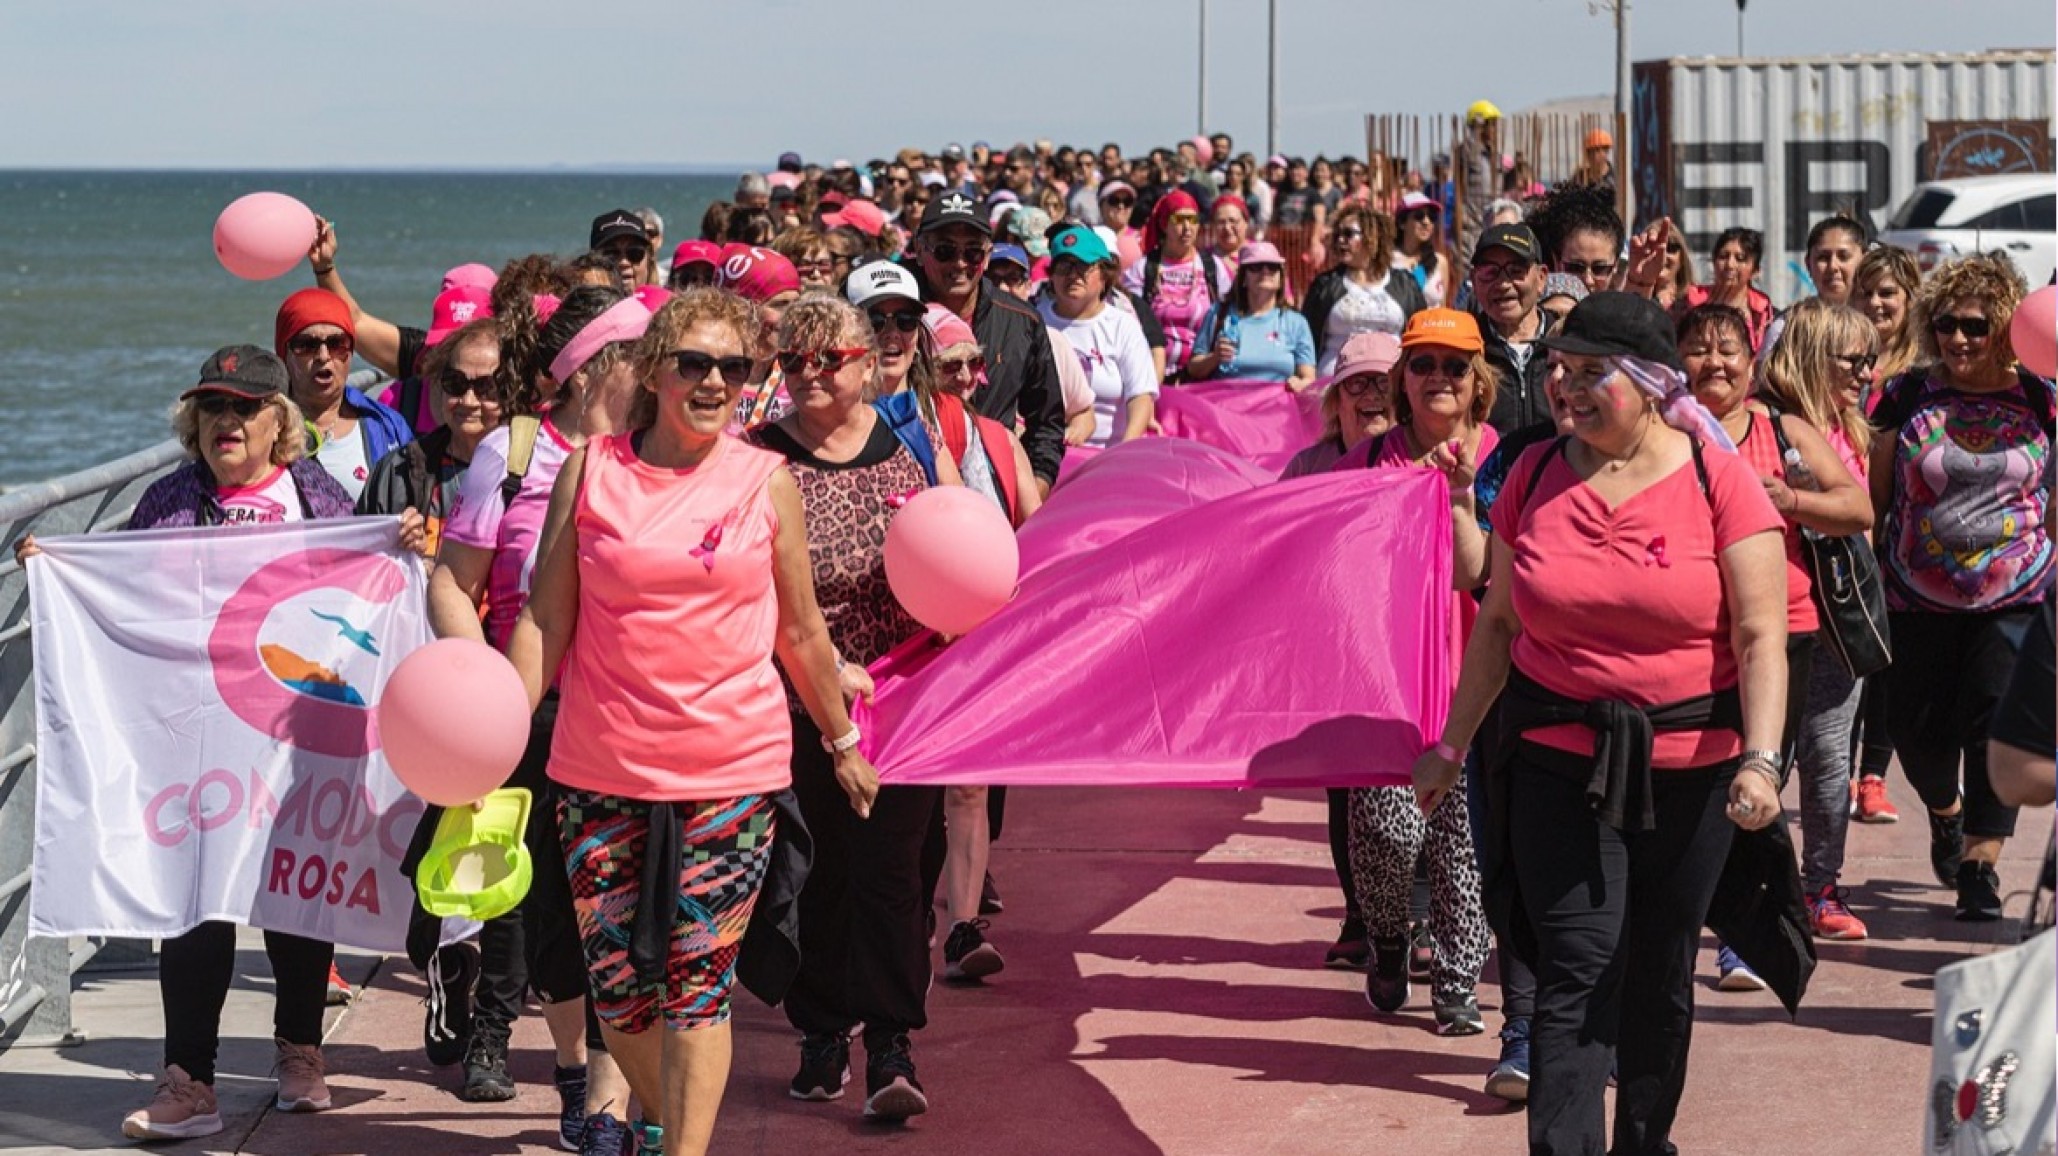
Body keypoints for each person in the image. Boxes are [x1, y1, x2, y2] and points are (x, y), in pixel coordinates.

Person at [1413, 292, 1791, 1156]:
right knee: (1575, 969)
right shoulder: (1538, 476)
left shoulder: (1714, 476)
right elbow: (1501, 625)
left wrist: (1764, 762)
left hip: (1693, 765)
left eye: (1593, 374)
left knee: (1659, 971)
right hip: (1557, 757)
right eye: (1560, 370)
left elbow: (1760, 634)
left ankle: (1646, 1142)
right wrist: (1449, 747)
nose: (1566, 389)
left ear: (1654, 385)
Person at [499, 287, 874, 1156]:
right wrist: (494, 736)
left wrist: (842, 741)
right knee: (621, 993)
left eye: (733, 367)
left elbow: (801, 630)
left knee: (698, 987)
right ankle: (673, 1122)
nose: (714, 382)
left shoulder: (765, 480)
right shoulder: (590, 469)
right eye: (694, 363)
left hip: (730, 774)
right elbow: (544, 621)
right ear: (655, 369)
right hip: (599, 771)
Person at [32, 345, 408, 1141]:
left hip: (293, 731)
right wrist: (60, 569)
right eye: (213, 409)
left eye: (244, 408)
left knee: (296, 889)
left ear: (282, 423)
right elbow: (127, 603)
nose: (227, 423)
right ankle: (189, 1081)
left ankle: (299, 1052)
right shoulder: (168, 502)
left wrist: (407, 542)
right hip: (194, 738)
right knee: (191, 899)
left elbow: (366, 594)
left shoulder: (323, 501)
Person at [431, 286, 644, 1147]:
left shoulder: (660, 455)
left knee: (623, 909)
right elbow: (454, 581)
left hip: (634, 709)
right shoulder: (513, 455)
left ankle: (605, 1095)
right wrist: (481, 687)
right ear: (597, 369)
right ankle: (569, 1064)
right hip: (533, 706)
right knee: (551, 912)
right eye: (646, 354)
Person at [747, 296, 941, 1122]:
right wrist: (825, 671)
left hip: (903, 705)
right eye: (793, 360)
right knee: (816, 876)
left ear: (867, 362)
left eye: (827, 357)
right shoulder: (756, 461)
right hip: (792, 706)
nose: (809, 373)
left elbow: (953, 555)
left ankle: (893, 1041)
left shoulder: (909, 449)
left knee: (893, 875)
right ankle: (823, 1028)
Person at [1680, 302, 1872, 975]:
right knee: (1706, 785)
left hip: (1784, 633)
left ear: (1752, 356)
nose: (1716, 363)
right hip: (1694, 635)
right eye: (1700, 348)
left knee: (1760, 776)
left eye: (1729, 348)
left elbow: (1857, 507)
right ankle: (1724, 917)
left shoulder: (1780, 427)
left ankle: (1745, 937)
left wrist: (1792, 501)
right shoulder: (1669, 431)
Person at [1868, 254, 2053, 922]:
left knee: (1994, 724)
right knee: (1913, 731)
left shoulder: (2041, 397)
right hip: (1914, 599)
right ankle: (1945, 813)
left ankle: (1980, 864)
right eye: (1945, 323)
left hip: (2019, 599)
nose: (1958, 338)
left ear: (2005, 326)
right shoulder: (1907, 394)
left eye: (1975, 325)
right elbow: (1878, 498)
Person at [1335, 309, 1499, 1033]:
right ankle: (1392, 936)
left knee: (1466, 836)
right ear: (1403, 378)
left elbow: (1483, 574)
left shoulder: (1499, 456)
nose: (1438, 378)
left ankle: (1459, 978)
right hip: (1385, 678)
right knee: (1386, 830)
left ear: (1476, 382)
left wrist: (1461, 495)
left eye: (1454, 366)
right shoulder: (1370, 460)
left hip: (1476, 675)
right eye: (1423, 364)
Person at [1757, 299, 1885, 940]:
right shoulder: (1773, 423)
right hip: (1769, 619)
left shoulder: (1851, 426)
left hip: (1834, 619)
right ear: (1812, 356)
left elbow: (1863, 514)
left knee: (1830, 757)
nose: (1866, 373)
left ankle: (1820, 890)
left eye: (1870, 360)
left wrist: (1802, 501)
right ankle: (1758, 895)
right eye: (1852, 360)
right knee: (1765, 762)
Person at [909, 191, 1067, 492]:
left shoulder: (1022, 321)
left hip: (997, 491)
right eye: (944, 251)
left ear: (988, 254)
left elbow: (1047, 425)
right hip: (914, 493)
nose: (959, 263)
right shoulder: (894, 315)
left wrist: (1030, 489)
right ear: (919, 249)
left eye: (972, 253)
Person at [355, 317, 507, 555]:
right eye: (454, 383)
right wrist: (397, 548)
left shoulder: (534, 473)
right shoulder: (398, 471)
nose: (468, 401)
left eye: (486, 388)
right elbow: (361, 560)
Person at [274, 288, 414, 503]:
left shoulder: (387, 425)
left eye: (336, 343)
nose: (323, 356)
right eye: (307, 345)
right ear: (284, 353)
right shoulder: (264, 426)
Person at [1034, 226, 1158, 446]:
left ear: (1104, 274)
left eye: (1083, 266)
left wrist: (1124, 450)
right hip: (1050, 452)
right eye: (1064, 266)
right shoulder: (1034, 322)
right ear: (1051, 275)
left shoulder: (1123, 326)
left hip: (1110, 453)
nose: (1072, 275)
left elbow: (1140, 396)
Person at [1301, 205, 1426, 376]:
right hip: (1333, 385)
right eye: (1338, 234)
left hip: (1391, 385)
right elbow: (1305, 340)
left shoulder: (1405, 284)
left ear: (1372, 237)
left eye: (1348, 234)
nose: (1340, 240)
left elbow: (1420, 335)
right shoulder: (1325, 285)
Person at [1122, 190, 1233, 380]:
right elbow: (1128, 322)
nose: (1187, 228)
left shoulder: (1214, 268)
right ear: (1164, 224)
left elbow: (1231, 316)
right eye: (1180, 220)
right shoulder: (1142, 269)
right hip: (1154, 375)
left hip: (1203, 375)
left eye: (1193, 220)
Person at [1185, 243, 1317, 389]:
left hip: (1279, 409)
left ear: (1281, 278)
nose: (1265, 271)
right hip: (1224, 407)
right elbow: (1193, 368)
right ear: (1243, 278)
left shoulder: (1296, 322)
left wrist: (1300, 384)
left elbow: (1308, 378)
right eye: (1256, 267)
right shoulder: (1219, 314)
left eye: (1272, 267)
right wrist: (1214, 358)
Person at [1467, 224, 1556, 433]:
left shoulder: (1565, 345)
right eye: (1490, 272)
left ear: (1541, 278)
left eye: (1516, 271)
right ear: (1474, 280)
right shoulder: (1465, 349)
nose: (1504, 284)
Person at [1283, 331, 1400, 479]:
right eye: (1357, 383)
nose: (1371, 394)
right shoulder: (1305, 468)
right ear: (1336, 399)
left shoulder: (1419, 465)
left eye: (1384, 382)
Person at [1677, 228, 1774, 353]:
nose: (1730, 265)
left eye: (1740, 259)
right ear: (1713, 261)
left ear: (1755, 271)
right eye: (1723, 256)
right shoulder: (1688, 303)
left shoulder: (1765, 315)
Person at [1854, 245, 1924, 390]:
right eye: (1866, 294)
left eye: (1886, 293)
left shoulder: (1924, 368)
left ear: (1910, 299)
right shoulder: (1841, 361)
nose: (1873, 302)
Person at [1392, 191, 1453, 310]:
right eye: (1419, 216)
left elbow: (1442, 308)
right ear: (1402, 223)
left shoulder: (1440, 262)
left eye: (1432, 217)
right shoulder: (1387, 260)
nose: (1426, 222)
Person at [1803, 215, 1867, 308]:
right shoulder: (1790, 321)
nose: (1833, 266)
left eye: (1843, 257)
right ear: (1808, 265)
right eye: (1823, 257)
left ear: (1865, 261)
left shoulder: (1881, 318)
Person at [591, 208, 659, 289]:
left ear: (649, 261)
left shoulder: (668, 301)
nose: (624, 262)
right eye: (610, 255)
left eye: (635, 253)